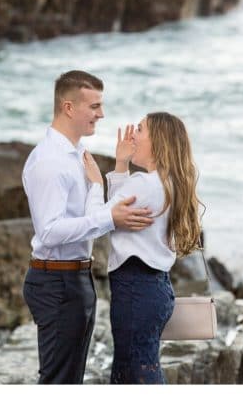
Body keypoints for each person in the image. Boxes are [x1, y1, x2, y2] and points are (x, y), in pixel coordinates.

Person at [21, 70, 154, 384]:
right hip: (56, 282)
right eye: (94, 106)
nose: (102, 114)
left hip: (76, 278)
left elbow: (90, 219)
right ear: (69, 108)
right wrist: (110, 218)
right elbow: (50, 231)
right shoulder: (50, 161)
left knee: (71, 380)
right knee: (59, 382)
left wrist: (101, 185)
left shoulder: (78, 155)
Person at [82, 112, 203, 384]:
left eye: (139, 129)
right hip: (155, 290)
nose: (132, 134)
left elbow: (99, 220)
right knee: (138, 366)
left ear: (157, 141)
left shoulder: (145, 184)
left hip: (135, 290)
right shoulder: (168, 184)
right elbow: (119, 208)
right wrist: (122, 164)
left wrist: (95, 184)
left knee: (135, 372)